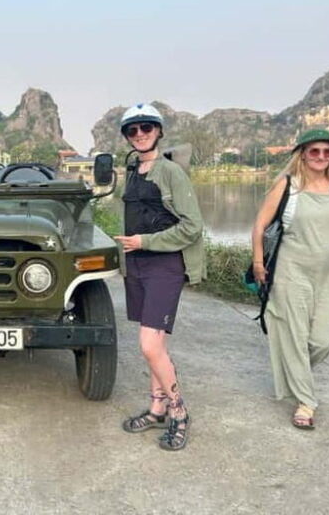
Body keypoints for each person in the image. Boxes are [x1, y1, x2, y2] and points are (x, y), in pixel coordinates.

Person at [251, 129, 329, 430]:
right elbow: (259, 226)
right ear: (303, 154)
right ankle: (306, 402)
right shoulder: (288, 185)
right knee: (293, 337)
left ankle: (294, 371)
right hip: (290, 272)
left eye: (327, 152)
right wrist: (258, 262)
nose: (321, 157)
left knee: (322, 341)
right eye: (314, 151)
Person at [114, 103, 205, 451]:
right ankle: (157, 408)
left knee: (149, 345)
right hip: (137, 264)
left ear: (159, 131)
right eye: (132, 130)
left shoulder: (171, 172)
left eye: (146, 128)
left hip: (165, 266)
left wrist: (146, 241)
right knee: (156, 348)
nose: (140, 135)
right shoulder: (134, 170)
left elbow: (192, 226)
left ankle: (179, 412)